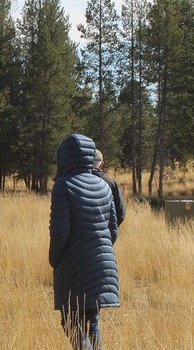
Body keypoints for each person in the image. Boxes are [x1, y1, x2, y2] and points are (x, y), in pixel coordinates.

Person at [49, 134, 120, 350]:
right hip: (102, 266)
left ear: (64, 157)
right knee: (92, 321)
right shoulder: (103, 185)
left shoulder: (63, 186)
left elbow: (60, 233)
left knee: (70, 323)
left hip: (73, 268)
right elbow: (113, 230)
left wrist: (53, 260)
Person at [92, 149, 126, 226]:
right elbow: (121, 213)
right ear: (101, 165)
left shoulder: (76, 182)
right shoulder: (111, 184)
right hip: (106, 234)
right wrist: (109, 230)